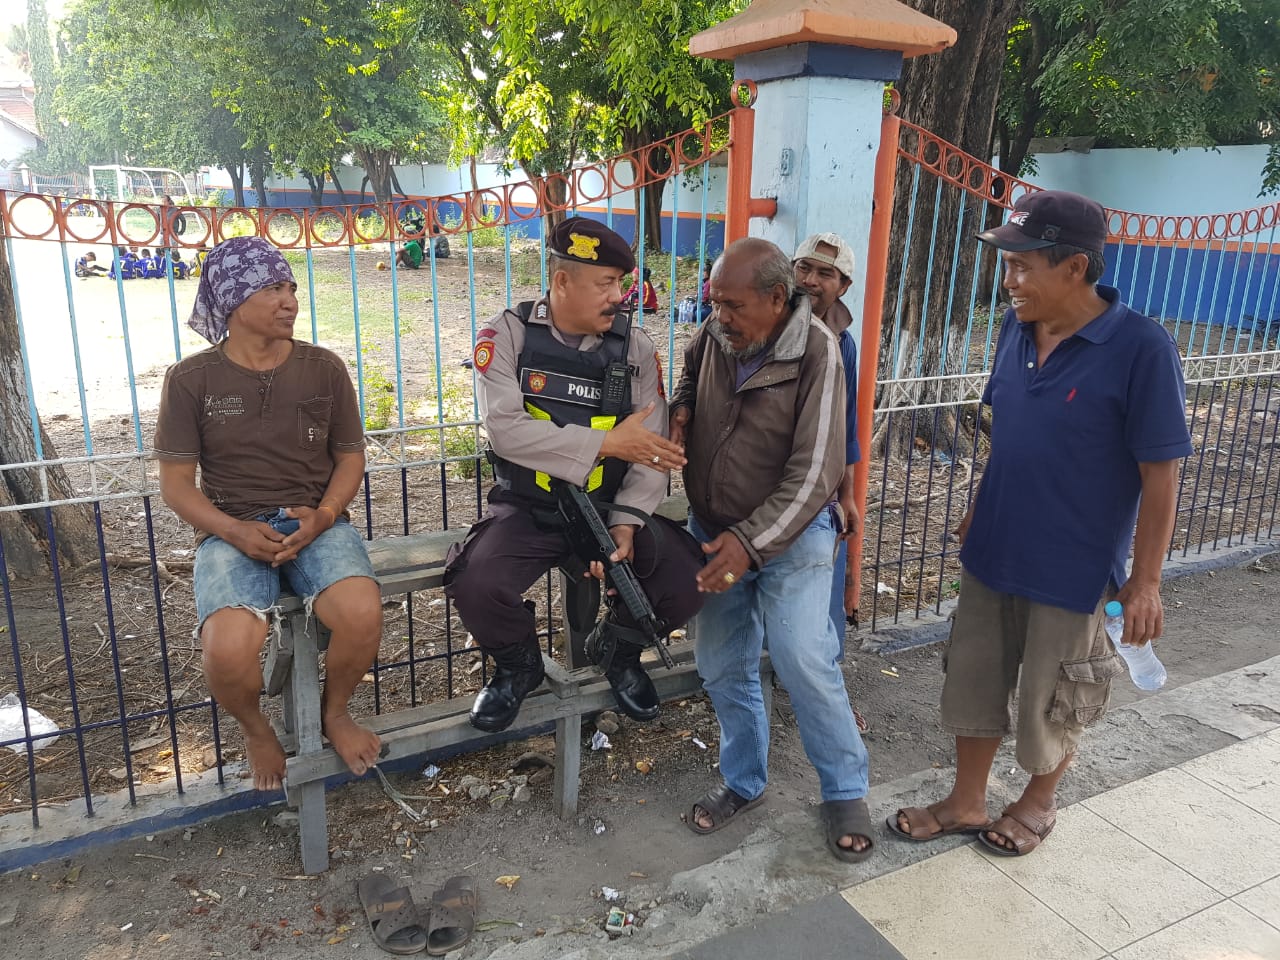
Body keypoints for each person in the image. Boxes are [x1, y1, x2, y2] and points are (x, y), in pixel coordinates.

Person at [887, 190, 1193, 856]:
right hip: (995, 547)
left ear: (1075, 267)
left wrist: (1145, 582)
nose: (1010, 281)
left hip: (1074, 566)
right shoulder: (1015, 330)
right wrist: (978, 506)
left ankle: (1037, 802)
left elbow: (1161, 475)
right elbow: (1010, 432)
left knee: (1057, 695)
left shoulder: (1141, 348)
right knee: (974, 676)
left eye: (1023, 266)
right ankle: (967, 801)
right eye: (1008, 265)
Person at [445, 217, 704, 733]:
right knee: (476, 584)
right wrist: (607, 443)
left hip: (609, 508)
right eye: (606, 283)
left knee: (687, 578)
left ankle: (619, 651)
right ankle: (518, 667)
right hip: (531, 509)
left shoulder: (634, 348)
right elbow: (506, 432)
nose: (618, 297)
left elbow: (650, 452)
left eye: (620, 283)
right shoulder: (508, 335)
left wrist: (627, 522)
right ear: (562, 281)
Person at [154, 236, 383, 792]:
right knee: (228, 649)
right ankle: (257, 730)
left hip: (316, 522)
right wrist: (233, 530)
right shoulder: (190, 381)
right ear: (233, 301)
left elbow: (350, 458)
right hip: (230, 530)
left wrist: (324, 515)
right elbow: (176, 485)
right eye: (272, 290)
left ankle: (335, 712)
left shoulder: (323, 368)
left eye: (290, 288)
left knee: (361, 612)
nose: (289, 301)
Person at [670, 237, 873, 862]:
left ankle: (845, 790)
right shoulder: (716, 333)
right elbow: (689, 374)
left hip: (794, 533)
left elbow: (816, 473)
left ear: (777, 299)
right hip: (716, 528)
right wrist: (681, 409)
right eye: (715, 302)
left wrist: (750, 542)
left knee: (803, 657)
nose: (719, 316)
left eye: (733, 305)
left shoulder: (819, 351)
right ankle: (744, 781)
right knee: (721, 662)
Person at [793, 232, 869, 734]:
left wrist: (847, 496)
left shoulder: (843, 341)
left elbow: (846, 424)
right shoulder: (767, 322)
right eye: (803, 268)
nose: (810, 280)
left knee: (823, 603)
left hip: (818, 493)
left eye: (825, 274)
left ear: (843, 286)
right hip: (763, 491)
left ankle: (831, 700)